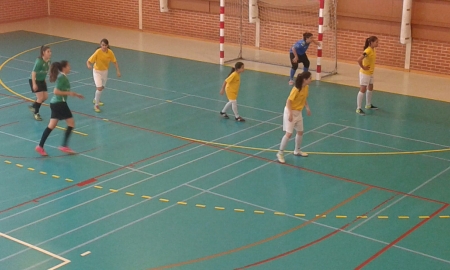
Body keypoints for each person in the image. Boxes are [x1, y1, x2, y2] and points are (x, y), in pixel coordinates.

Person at [35, 61, 84, 156]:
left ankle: (40, 146)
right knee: (71, 123)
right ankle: (64, 146)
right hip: (60, 103)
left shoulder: (63, 77)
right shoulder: (62, 78)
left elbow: (64, 90)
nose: (70, 67)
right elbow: (56, 91)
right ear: (64, 68)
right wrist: (69, 93)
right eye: (68, 66)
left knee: (51, 125)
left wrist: (75, 94)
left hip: (55, 103)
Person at [277, 72, 312, 164]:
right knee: (289, 134)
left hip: (298, 112)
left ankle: (297, 150)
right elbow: (288, 101)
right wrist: (290, 114)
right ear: (305, 79)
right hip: (290, 111)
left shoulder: (306, 88)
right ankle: (280, 153)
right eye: (310, 78)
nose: (311, 80)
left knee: (300, 132)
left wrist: (307, 108)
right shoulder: (296, 89)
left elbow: (304, 98)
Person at [86, 38, 121, 113]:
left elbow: (115, 61)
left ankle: (96, 99)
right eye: (102, 45)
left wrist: (118, 71)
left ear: (107, 45)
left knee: (102, 87)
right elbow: (88, 61)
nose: (104, 47)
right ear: (100, 45)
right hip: (97, 71)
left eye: (105, 45)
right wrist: (89, 65)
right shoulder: (98, 52)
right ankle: (96, 105)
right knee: (99, 88)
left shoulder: (110, 52)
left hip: (105, 71)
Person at [356, 36, 379, 115]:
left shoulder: (373, 49)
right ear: (371, 42)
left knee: (371, 87)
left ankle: (368, 105)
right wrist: (363, 67)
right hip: (365, 73)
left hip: (371, 73)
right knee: (363, 89)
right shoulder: (368, 51)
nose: (377, 43)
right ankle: (358, 108)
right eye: (376, 42)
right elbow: (359, 60)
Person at [28, 45, 51, 121]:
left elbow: (45, 71)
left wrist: (45, 79)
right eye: (48, 51)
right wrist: (34, 84)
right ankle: (36, 113)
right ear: (43, 52)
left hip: (42, 80)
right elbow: (33, 73)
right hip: (34, 80)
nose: (50, 53)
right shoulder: (39, 61)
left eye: (50, 51)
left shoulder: (48, 61)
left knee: (45, 97)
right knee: (40, 97)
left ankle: (34, 106)